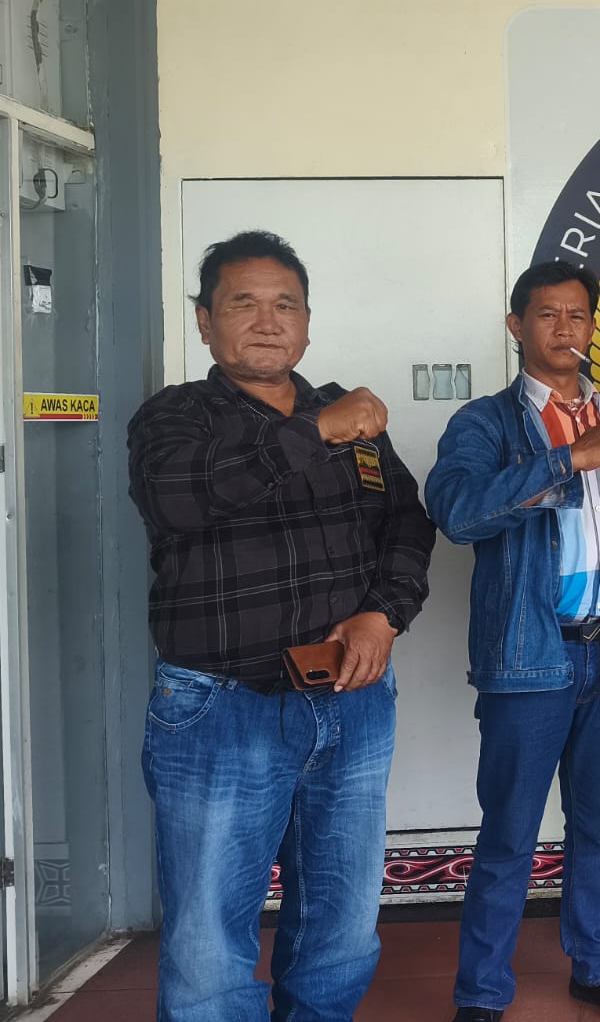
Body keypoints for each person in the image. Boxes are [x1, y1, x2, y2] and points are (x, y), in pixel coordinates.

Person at [128, 230, 434, 1022]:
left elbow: (406, 523)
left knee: (341, 923)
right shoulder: (175, 418)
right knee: (208, 939)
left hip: (352, 698)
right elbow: (182, 499)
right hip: (222, 708)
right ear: (205, 321)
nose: (268, 322)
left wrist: (384, 614)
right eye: (244, 304)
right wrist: (318, 431)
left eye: (286, 306)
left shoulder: (350, 417)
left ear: (306, 321)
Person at [428, 261, 600, 1022]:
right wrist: (568, 458)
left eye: (577, 316)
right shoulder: (486, 422)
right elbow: (457, 512)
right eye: (548, 315)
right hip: (531, 658)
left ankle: (598, 967)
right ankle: (482, 993)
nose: (565, 329)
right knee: (509, 834)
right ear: (517, 326)